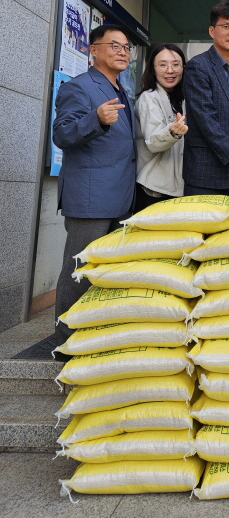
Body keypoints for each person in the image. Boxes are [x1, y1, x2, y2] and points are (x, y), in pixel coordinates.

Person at [53, 24, 136, 350]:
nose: (122, 52)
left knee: (107, 273)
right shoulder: (79, 87)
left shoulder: (122, 90)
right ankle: (67, 343)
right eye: (114, 45)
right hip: (90, 197)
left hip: (120, 195)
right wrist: (96, 120)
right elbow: (62, 134)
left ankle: (96, 338)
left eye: (126, 47)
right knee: (79, 271)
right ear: (94, 50)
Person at [183, 2, 229, 197]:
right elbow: (205, 120)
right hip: (206, 172)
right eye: (226, 26)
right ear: (212, 30)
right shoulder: (198, 67)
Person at [135, 43, 188, 212]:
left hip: (180, 186)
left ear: (183, 67)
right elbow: (153, 142)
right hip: (154, 188)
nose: (170, 71)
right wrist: (172, 132)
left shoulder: (184, 98)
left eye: (175, 64)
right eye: (163, 65)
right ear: (153, 68)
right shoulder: (149, 98)